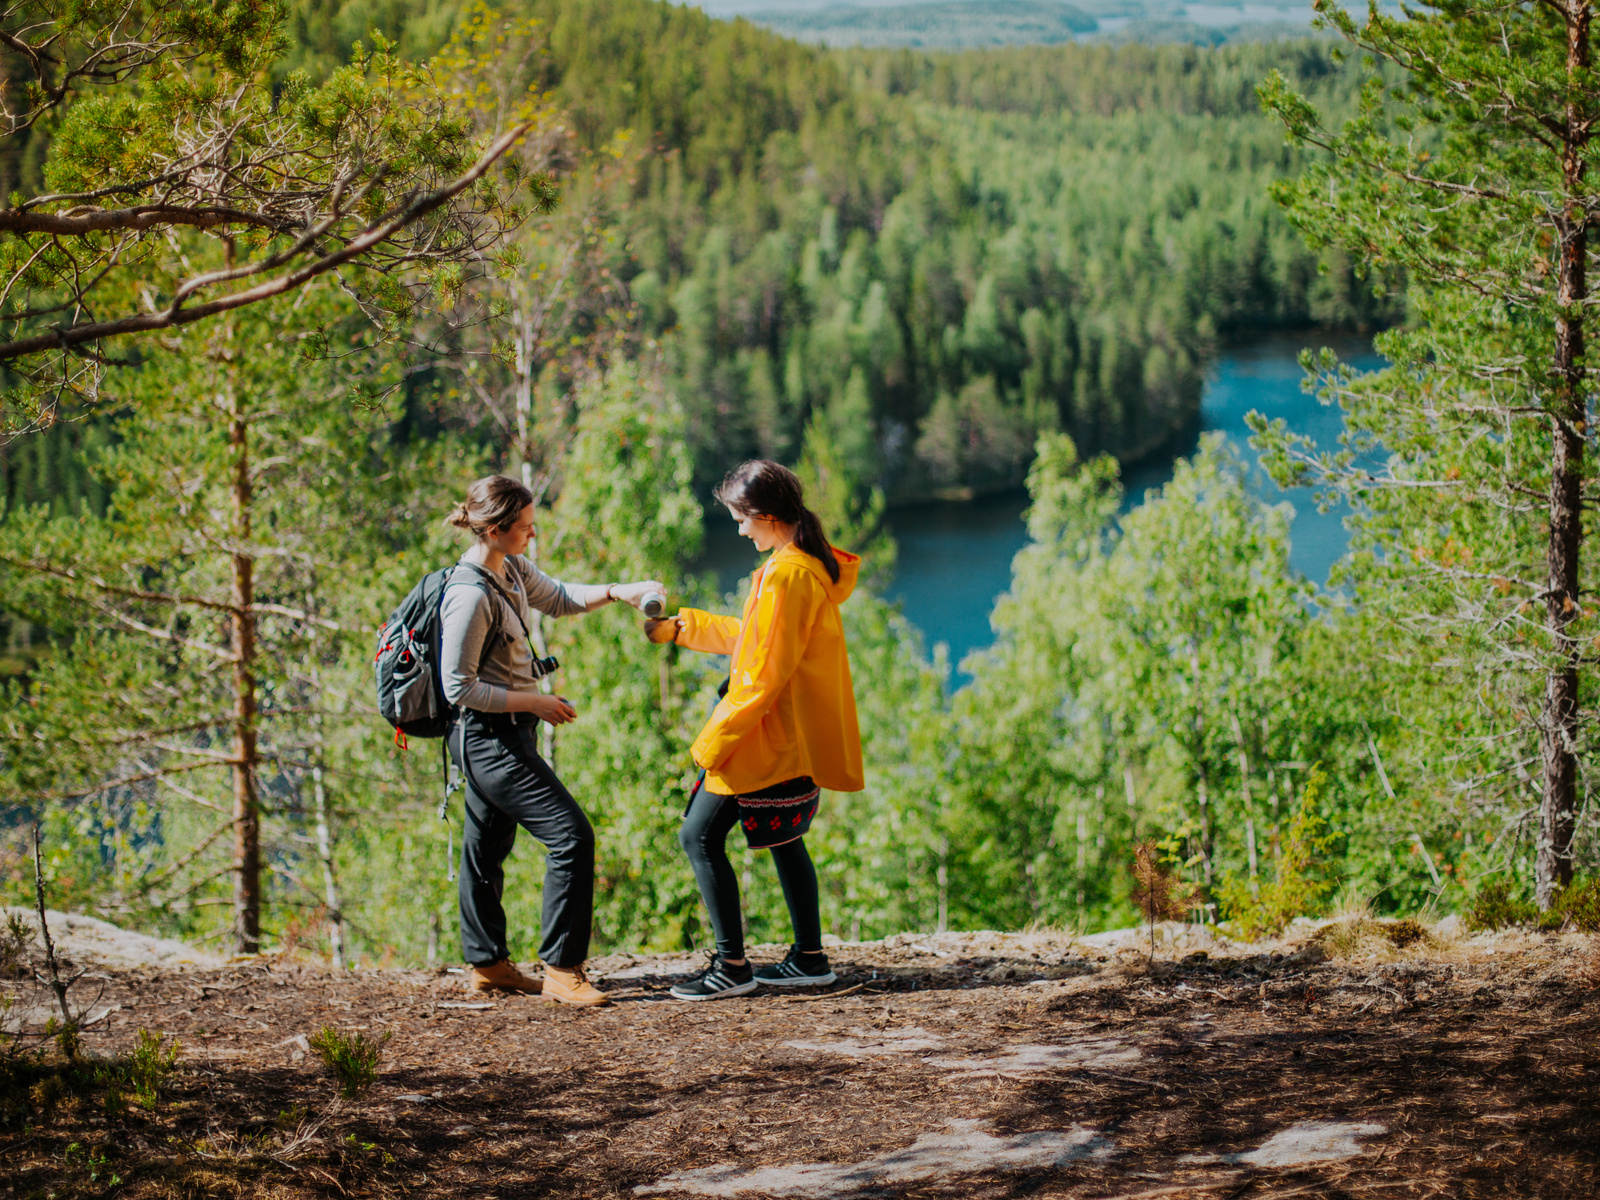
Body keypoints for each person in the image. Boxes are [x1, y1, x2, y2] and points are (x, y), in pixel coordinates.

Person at [646, 460, 864, 1000]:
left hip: (766, 733)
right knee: (787, 840)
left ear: (766, 517)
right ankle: (810, 958)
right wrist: (681, 628)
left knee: (697, 836)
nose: (739, 531)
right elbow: (759, 640)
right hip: (790, 734)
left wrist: (711, 742)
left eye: (742, 520)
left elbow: (763, 674)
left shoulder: (788, 575)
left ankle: (732, 968)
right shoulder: (802, 565)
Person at [441, 474, 663, 1006]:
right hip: (487, 739)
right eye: (523, 528)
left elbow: (560, 598)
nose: (531, 535)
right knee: (571, 836)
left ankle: (489, 964)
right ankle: (563, 969)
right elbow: (459, 686)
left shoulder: (511, 569)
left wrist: (618, 592)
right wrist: (535, 701)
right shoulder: (469, 595)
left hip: (508, 733)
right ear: (493, 529)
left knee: (485, 849)